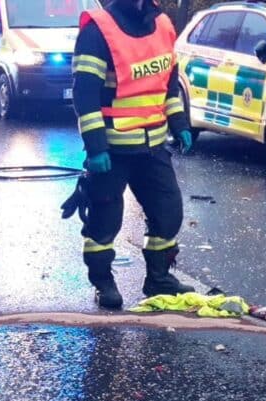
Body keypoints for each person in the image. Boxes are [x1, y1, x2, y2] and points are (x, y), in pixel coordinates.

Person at [72, 0, 194, 309]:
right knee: (105, 219)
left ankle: (158, 278)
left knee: (168, 211)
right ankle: (103, 282)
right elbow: (85, 94)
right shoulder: (99, 30)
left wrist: (179, 124)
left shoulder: (164, 26)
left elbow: (168, 87)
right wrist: (96, 147)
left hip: (152, 147)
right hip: (112, 150)